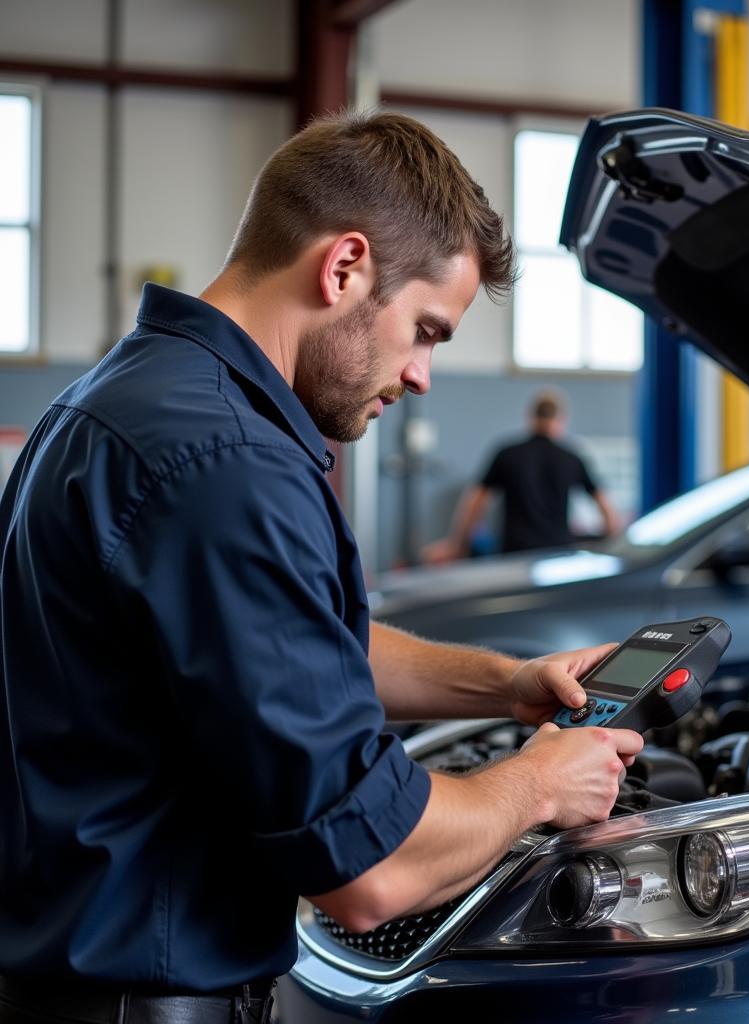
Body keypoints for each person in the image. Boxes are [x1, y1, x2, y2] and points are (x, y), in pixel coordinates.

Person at [0, 111, 644, 1023]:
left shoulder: (121, 400)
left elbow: (281, 649)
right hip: (145, 997)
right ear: (343, 268)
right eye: (425, 330)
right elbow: (371, 868)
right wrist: (542, 781)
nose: (422, 375)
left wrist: (509, 686)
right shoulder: (226, 463)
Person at [424, 390, 620, 561]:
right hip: (559, 554)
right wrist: (615, 546)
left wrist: (457, 545)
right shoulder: (572, 458)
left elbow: (475, 503)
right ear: (562, 419)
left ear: (531, 416)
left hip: (516, 553)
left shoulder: (508, 453)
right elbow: (605, 507)